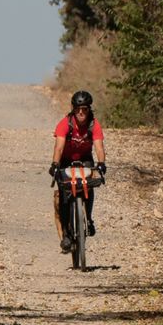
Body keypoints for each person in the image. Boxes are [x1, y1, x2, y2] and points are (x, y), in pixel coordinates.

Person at [50, 90, 106, 253]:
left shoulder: (94, 125)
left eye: (85, 109)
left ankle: (88, 219)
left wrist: (102, 163)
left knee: (89, 185)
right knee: (64, 194)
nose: (81, 113)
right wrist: (55, 164)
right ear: (73, 109)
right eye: (78, 109)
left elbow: (99, 147)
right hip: (65, 160)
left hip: (85, 159)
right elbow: (59, 147)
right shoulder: (65, 124)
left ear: (89, 109)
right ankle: (67, 235)